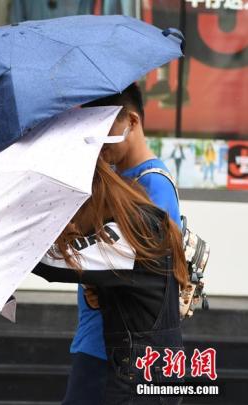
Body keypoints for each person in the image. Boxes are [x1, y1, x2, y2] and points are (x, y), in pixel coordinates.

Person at [59, 83, 181, 404]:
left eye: (104, 128)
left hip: (117, 350)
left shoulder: (153, 184)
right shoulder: (115, 177)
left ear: (132, 121)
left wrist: (97, 281)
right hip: (98, 339)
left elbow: (149, 271)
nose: (98, 140)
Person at [33, 157, 188, 404]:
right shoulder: (144, 222)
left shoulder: (128, 234)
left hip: (139, 378)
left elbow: (51, 264)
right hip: (153, 372)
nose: (73, 224)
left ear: (92, 201)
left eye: (73, 212)